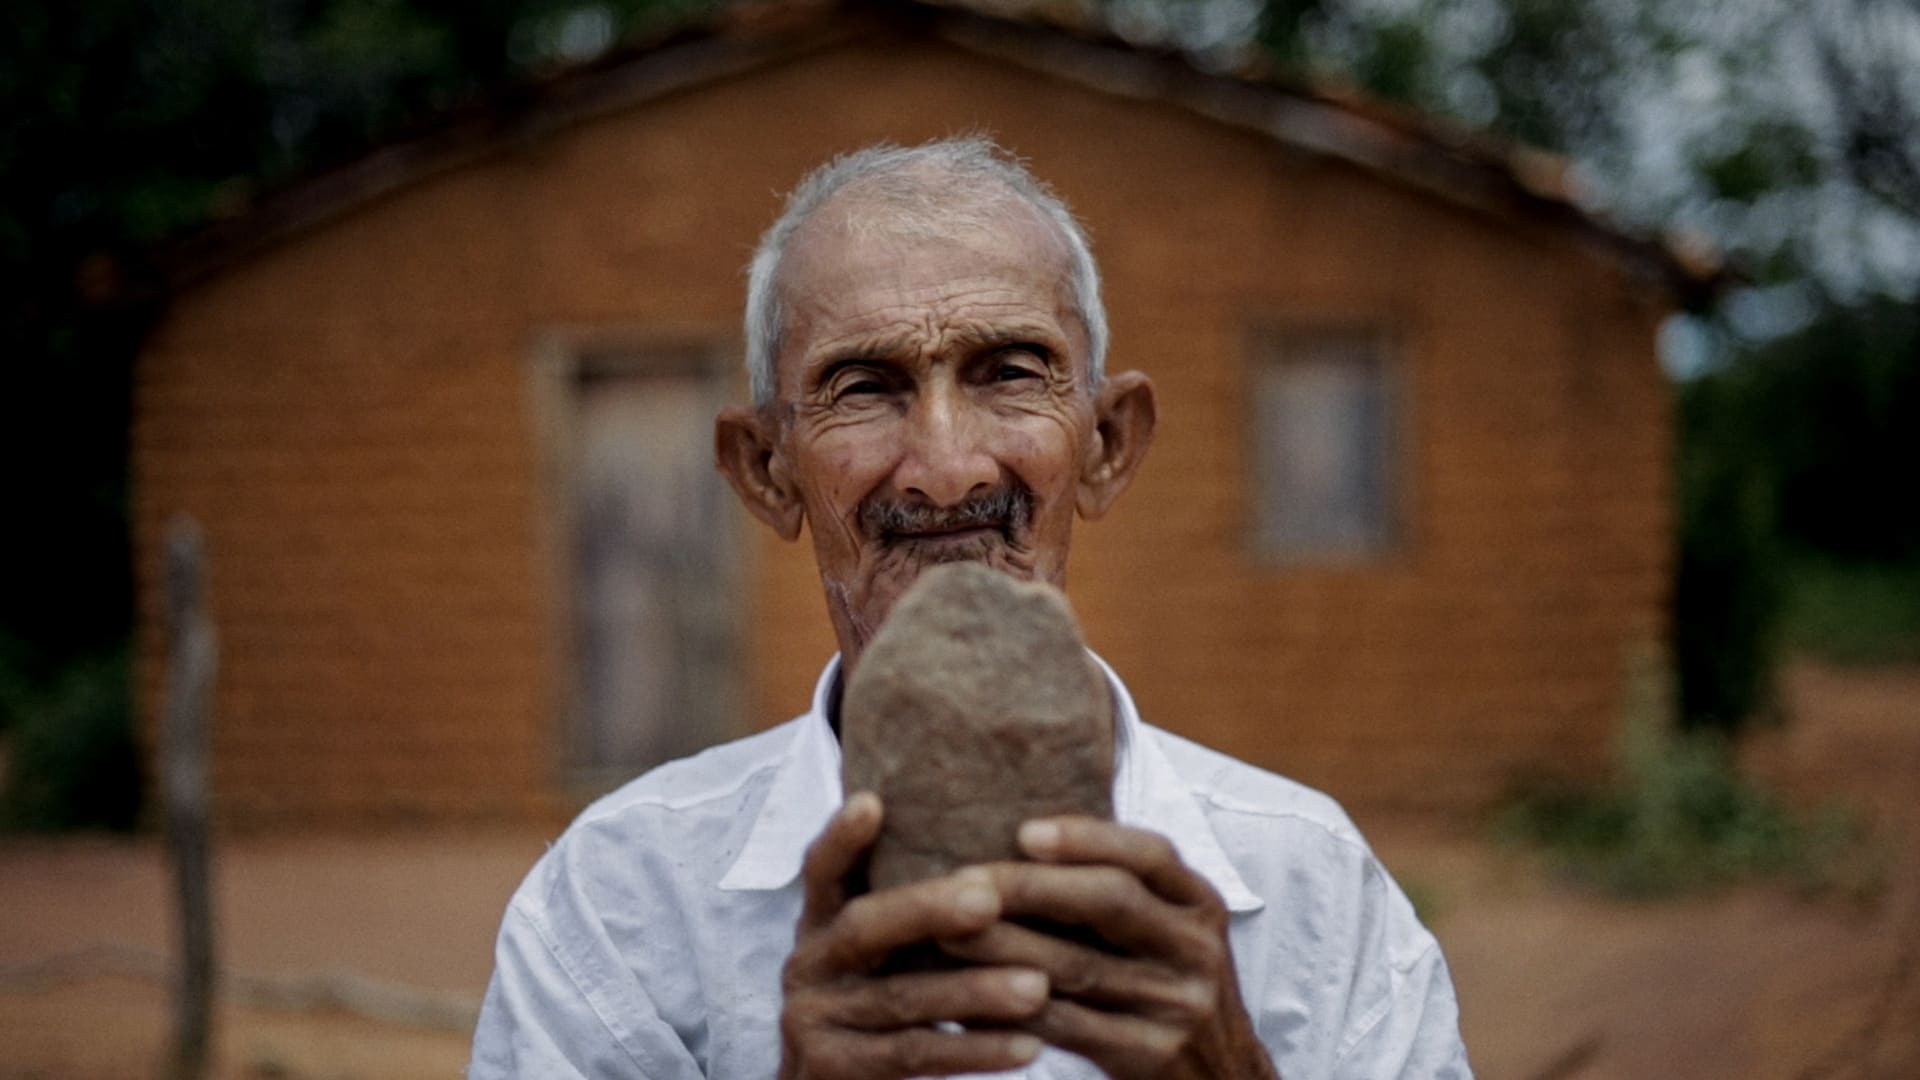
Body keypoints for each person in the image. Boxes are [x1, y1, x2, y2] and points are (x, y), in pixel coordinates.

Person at [470, 137, 1471, 1079]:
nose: (947, 471)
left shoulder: (1311, 891)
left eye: (1010, 374)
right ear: (767, 473)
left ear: (1108, 445)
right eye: (864, 387)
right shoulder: (621, 905)